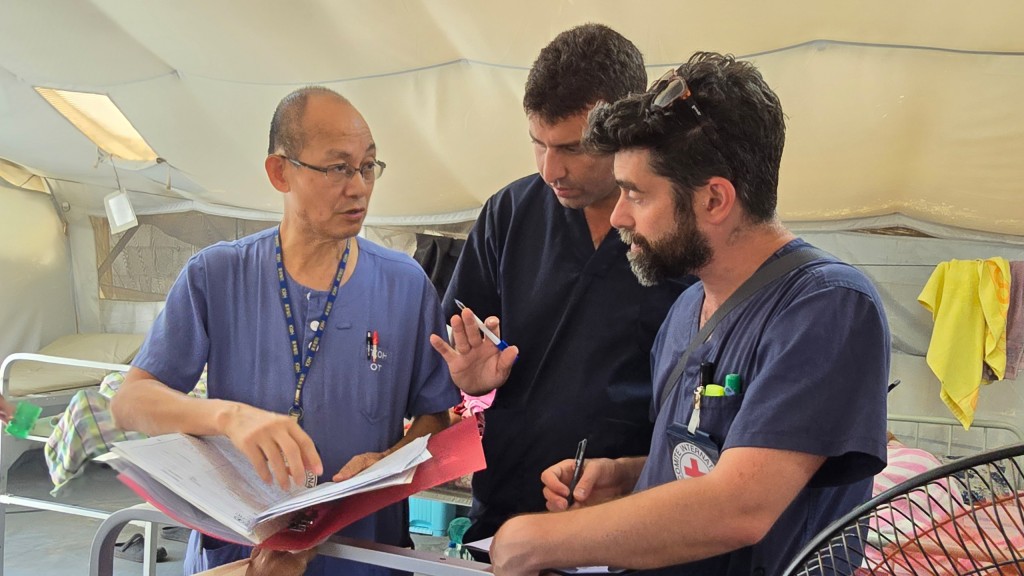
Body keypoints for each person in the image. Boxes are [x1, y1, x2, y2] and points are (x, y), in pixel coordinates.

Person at [488, 52, 891, 576]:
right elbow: (705, 463)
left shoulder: (826, 307)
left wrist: (540, 539)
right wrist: (627, 476)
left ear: (715, 200)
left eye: (636, 193)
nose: (618, 216)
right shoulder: (685, 311)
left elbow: (738, 507)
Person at [110, 86, 460, 576]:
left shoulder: (406, 285)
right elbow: (131, 402)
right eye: (338, 167)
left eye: (368, 166)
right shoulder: (217, 275)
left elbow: (434, 418)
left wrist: (388, 460)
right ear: (281, 172)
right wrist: (229, 417)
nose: (358, 186)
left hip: (360, 553)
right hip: (243, 556)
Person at [429, 24, 692, 544]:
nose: (552, 169)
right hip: (509, 507)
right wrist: (473, 381)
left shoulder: (675, 229)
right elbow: (465, 342)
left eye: (572, 148)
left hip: (633, 514)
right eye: (538, 144)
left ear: (626, 128)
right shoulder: (511, 212)